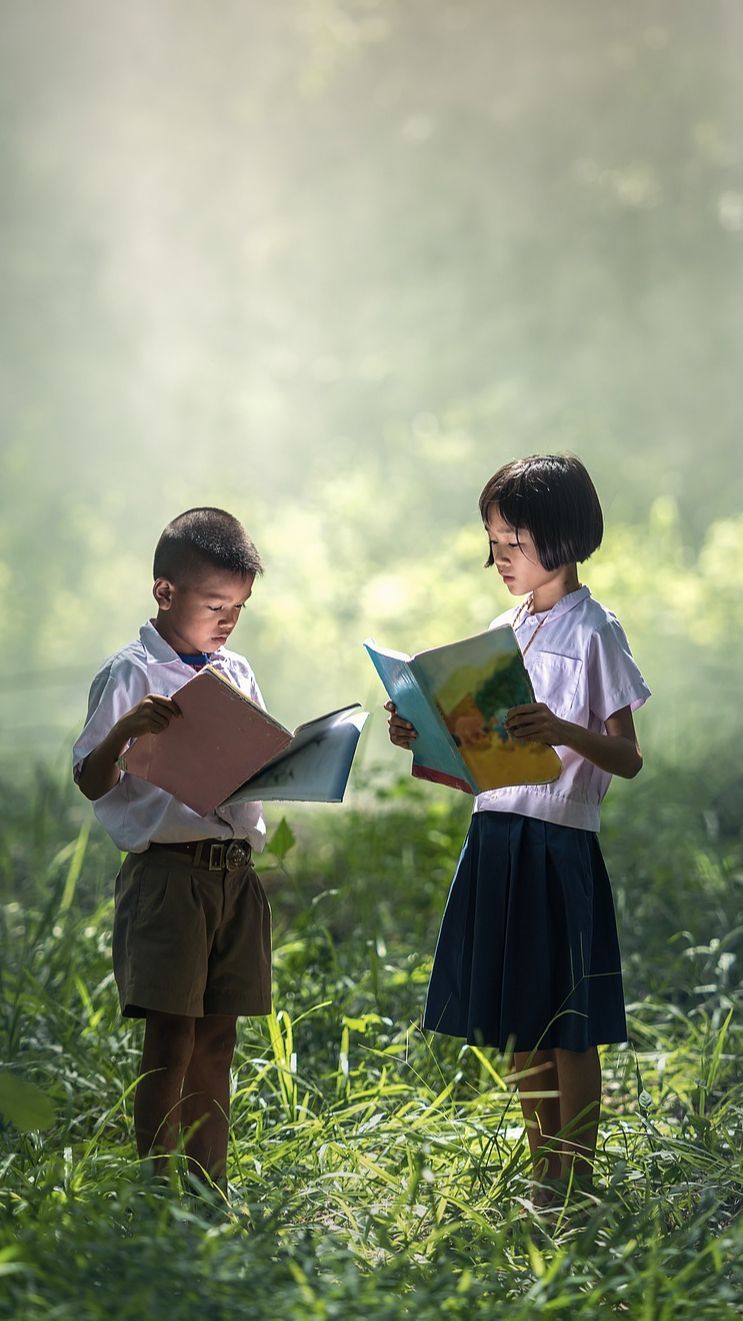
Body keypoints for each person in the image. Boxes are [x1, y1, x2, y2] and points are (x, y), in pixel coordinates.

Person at [386, 454, 650, 1207]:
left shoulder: (596, 628)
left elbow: (626, 756)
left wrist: (564, 727)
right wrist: (423, 731)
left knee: (570, 1019)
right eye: (491, 541)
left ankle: (578, 1178)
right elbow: (473, 751)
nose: (494, 558)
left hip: (558, 839)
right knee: (521, 1018)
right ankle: (545, 1175)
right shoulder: (503, 631)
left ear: (559, 537)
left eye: (509, 542)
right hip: (496, 833)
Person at [73, 507, 272, 1196]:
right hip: (168, 876)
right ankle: (160, 1190)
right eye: (215, 603)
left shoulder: (236, 670)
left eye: (239, 607)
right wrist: (125, 731)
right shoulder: (129, 673)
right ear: (165, 592)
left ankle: (208, 1185)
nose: (227, 620)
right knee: (171, 1041)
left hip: (233, 877)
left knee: (219, 1036)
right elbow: (90, 780)